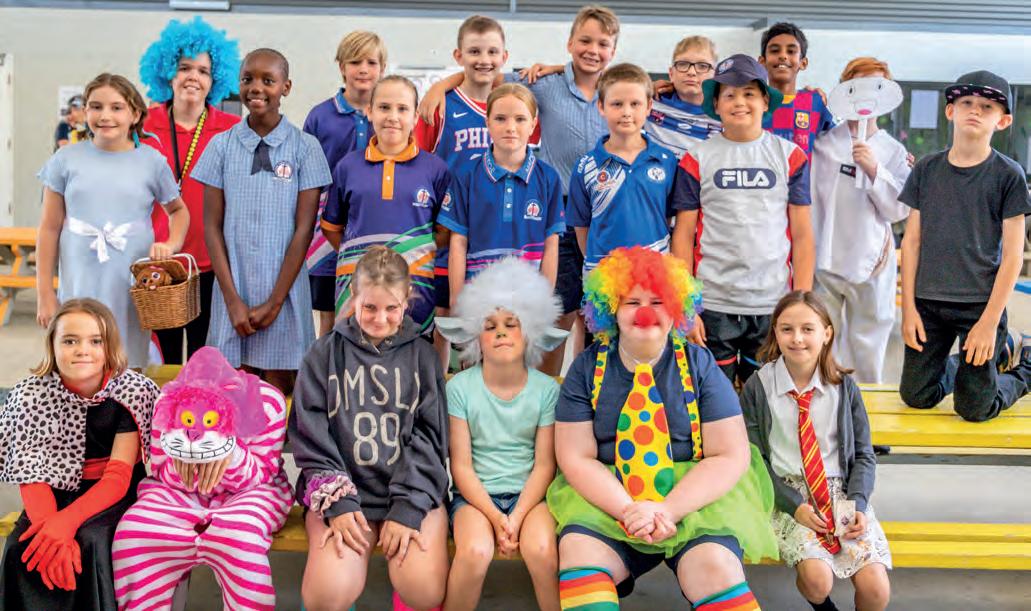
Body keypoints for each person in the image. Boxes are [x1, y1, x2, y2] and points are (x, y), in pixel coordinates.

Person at [548, 247, 776, 610]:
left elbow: (729, 454)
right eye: (632, 302)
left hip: (695, 495)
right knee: (579, 554)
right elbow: (576, 457)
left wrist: (669, 509)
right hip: (610, 493)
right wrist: (628, 509)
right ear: (611, 309)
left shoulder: (700, 364)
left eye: (657, 301)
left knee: (715, 567)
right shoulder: (586, 368)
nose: (645, 312)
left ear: (675, 309)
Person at [420, 4, 621, 375]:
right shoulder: (542, 85)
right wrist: (439, 85)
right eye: (584, 41)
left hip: (605, 217)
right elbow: (486, 73)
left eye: (602, 44)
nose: (593, 50)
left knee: (591, 315)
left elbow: (632, 88)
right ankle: (539, 382)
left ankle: (563, 392)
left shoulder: (616, 91)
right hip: (557, 212)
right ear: (570, 43)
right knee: (556, 317)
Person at [290, 245, 450, 611]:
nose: (380, 319)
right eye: (370, 307)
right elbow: (310, 436)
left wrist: (408, 508)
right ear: (353, 295)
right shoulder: (323, 355)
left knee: (422, 589)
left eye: (391, 308)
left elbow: (431, 439)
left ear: (407, 300)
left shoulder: (423, 357)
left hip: (409, 493)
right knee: (327, 595)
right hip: (345, 493)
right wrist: (339, 502)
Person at [0, 299, 158, 610]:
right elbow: (31, 473)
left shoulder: (131, 391)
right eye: (70, 341)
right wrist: (49, 528)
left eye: (95, 341)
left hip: (111, 492)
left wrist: (67, 523)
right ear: (52, 345)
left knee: (90, 541)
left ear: (109, 345)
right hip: (52, 487)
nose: (82, 350)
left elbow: (117, 477)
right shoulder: (31, 395)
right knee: (23, 546)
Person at [191, 48, 332, 397]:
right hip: (233, 289)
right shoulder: (221, 146)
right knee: (229, 395)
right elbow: (212, 227)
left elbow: (304, 230)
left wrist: (275, 302)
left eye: (268, 80)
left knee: (280, 396)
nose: (256, 87)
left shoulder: (305, 148)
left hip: (284, 291)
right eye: (247, 79)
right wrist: (232, 301)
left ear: (286, 87)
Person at [742, 291, 892, 611]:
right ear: (775, 332)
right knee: (817, 580)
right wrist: (793, 505)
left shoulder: (843, 387)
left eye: (807, 329)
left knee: (876, 590)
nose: (797, 338)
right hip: (788, 495)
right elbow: (754, 460)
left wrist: (858, 504)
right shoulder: (759, 386)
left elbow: (864, 454)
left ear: (826, 334)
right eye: (787, 329)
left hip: (842, 494)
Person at [671, 54, 815, 386]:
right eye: (729, 94)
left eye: (749, 93)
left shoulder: (791, 156)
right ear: (716, 104)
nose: (739, 102)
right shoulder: (696, 158)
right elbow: (683, 236)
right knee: (712, 398)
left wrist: (802, 302)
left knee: (763, 398)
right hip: (712, 304)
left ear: (765, 101)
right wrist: (686, 305)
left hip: (772, 303)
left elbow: (803, 235)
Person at [112, 347, 293, 610]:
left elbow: (263, 472)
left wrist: (229, 455)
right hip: (178, 493)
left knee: (240, 538)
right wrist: (186, 462)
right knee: (134, 533)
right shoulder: (167, 402)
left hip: (249, 494)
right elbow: (160, 468)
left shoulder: (267, 403)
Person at [899, 70, 1031, 422]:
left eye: (987, 106)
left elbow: (1013, 256)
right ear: (950, 111)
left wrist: (989, 323)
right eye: (966, 102)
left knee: (975, 409)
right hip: (928, 302)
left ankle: (1025, 367)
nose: (975, 110)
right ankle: (985, 358)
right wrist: (908, 309)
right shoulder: (927, 169)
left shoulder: (1008, 175)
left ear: (1002, 121)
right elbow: (912, 243)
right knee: (917, 396)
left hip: (979, 305)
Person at [435, 258, 567, 611]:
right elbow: (461, 466)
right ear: (476, 337)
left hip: (532, 499)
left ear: (531, 332)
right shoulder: (459, 389)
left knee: (542, 550)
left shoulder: (547, 391)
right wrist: (496, 518)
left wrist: (516, 516)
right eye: (490, 326)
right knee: (475, 551)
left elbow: (545, 466)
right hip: (475, 499)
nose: (501, 333)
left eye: (512, 324)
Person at [35, 73, 189, 368]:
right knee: (79, 349)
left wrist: (170, 244)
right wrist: (44, 293)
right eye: (96, 107)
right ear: (85, 112)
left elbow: (179, 211)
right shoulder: (65, 160)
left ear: (135, 114)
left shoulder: (152, 162)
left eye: (116, 107)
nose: (105, 116)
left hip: (128, 276)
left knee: (126, 352)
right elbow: (49, 228)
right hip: (80, 274)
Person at [139, 16, 242, 364]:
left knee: (203, 361)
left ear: (214, 80)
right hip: (158, 263)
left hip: (209, 264)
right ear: (168, 72)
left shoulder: (231, 130)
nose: (193, 77)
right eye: (184, 68)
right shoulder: (143, 126)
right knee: (162, 363)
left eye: (203, 71)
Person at [415, 14, 511, 369]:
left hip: (496, 231)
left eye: (492, 52)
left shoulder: (512, 105)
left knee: (488, 316)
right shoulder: (440, 106)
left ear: (504, 56)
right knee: (445, 315)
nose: (483, 59)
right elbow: (419, 166)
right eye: (474, 51)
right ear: (458, 55)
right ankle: (438, 388)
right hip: (448, 229)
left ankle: (479, 387)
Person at [321, 75, 450, 337]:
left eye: (402, 109)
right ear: (369, 111)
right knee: (355, 353)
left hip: (416, 292)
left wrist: (412, 253)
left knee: (412, 355)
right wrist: (363, 259)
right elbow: (332, 228)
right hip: (357, 291)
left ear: (415, 117)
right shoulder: (347, 167)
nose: (393, 116)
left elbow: (444, 232)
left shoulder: (435, 169)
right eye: (384, 107)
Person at [811, 58, 910, 384]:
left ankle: (868, 414)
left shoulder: (893, 151)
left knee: (868, 350)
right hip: (825, 263)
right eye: (858, 84)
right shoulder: (823, 145)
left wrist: (874, 169)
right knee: (820, 345)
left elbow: (899, 210)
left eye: (876, 85)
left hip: (872, 264)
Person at [439, 84, 564, 305]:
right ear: (487, 122)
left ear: (533, 124)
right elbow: (458, 242)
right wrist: (457, 300)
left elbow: (551, 244)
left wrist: (544, 302)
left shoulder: (549, 178)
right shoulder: (466, 176)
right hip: (478, 297)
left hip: (528, 299)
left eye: (520, 119)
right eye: (500, 119)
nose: (510, 127)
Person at [304, 30, 386, 338]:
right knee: (330, 312)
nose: (363, 69)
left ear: (382, 68)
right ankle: (327, 364)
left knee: (373, 303)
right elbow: (307, 175)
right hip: (327, 226)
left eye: (371, 62)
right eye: (355, 62)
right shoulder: (320, 116)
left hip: (373, 219)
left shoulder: (388, 115)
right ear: (341, 67)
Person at [568, 63, 678, 274]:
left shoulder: (666, 161)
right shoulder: (586, 166)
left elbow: (667, 218)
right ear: (601, 106)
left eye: (635, 104)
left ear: (649, 106)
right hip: (604, 277)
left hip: (655, 275)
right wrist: (599, 267)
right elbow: (581, 227)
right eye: (617, 104)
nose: (626, 112)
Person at [758, 22, 834, 159]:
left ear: (803, 63)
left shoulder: (815, 102)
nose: (783, 56)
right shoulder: (752, 104)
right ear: (762, 62)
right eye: (775, 50)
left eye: (791, 51)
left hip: (802, 174)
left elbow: (838, 142)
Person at [644, 36, 722, 157]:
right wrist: (645, 87)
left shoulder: (724, 115)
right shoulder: (650, 102)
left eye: (702, 66)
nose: (691, 72)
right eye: (683, 64)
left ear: (715, 76)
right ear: (671, 74)